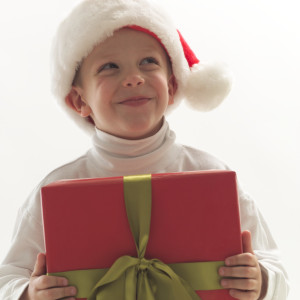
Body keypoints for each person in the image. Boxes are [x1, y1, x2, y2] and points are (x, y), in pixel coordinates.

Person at [0, 0, 289, 299]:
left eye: (148, 62)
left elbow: (278, 268)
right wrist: (29, 293)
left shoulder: (213, 175)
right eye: (109, 67)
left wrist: (262, 281)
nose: (134, 78)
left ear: (173, 84)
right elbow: (8, 279)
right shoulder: (54, 191)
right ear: (79, 101)